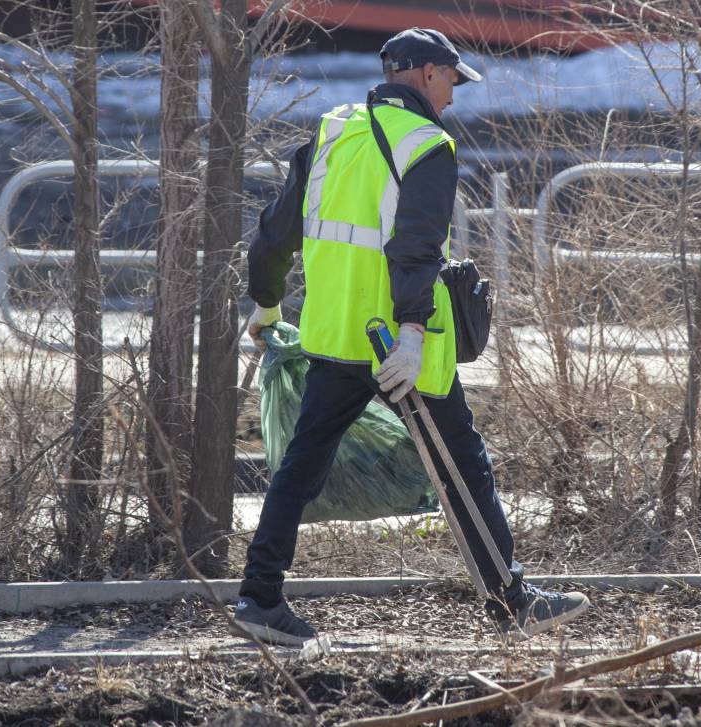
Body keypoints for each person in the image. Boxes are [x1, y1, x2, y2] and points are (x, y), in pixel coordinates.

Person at [235, 27, 589, 646]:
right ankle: (510, 602)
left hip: (333, 334)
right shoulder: (427, 144)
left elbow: (274, 233)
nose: (454, 94)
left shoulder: (332, 131)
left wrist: (265, 305)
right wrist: (412, 333)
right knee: (461, 467)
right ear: (427, 73)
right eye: (452, 78)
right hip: (397, 347)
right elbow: (416, 248)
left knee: (302, 464)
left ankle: (259, 597)